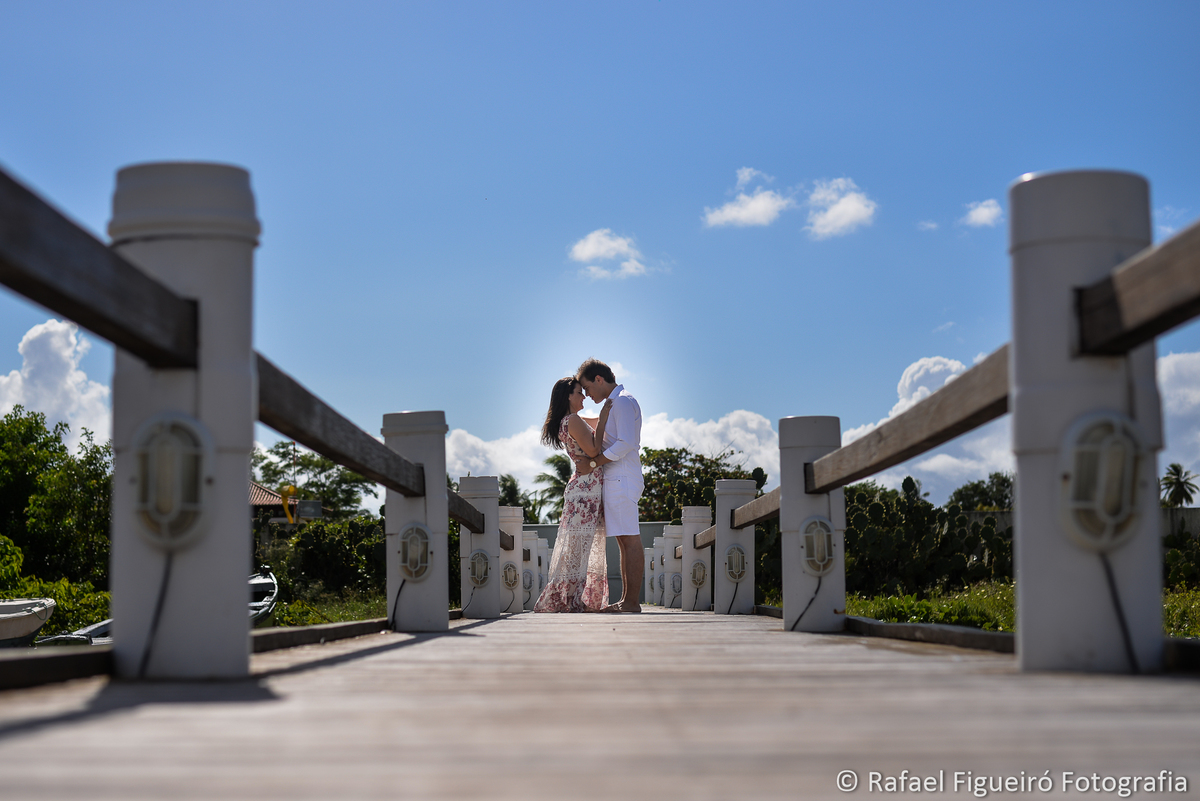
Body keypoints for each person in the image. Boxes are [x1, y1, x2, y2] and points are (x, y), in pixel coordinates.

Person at [533, 376, 611, 612]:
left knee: (579, 548)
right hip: (585, 491)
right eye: (579, 392)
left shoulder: (569, 420)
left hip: (584, 489)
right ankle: (568, 599)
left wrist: (608, 415)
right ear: (568, 396)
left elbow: (595, 425)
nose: (584, 396)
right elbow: (594, 449)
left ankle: (570, 598)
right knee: (580, 548)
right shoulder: (573, 420)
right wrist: (606, 417)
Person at [575, 358, 644, 613]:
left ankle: (632, 603)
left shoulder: (623, 401)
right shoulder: (615, 403)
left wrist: (594, 464)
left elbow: (626, 442)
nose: (588, 394)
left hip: (622, 477)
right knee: (624, 541)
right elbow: (605, 432)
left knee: (630, 539)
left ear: (599, 380)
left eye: (588, 388)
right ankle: (628, 601)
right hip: (617, 477)